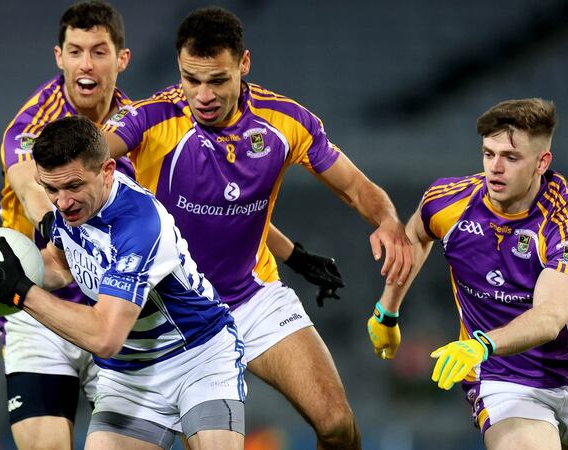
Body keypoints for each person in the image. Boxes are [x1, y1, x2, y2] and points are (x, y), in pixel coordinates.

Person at [101, 7, 413, 448]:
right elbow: (89, 154)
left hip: (252, 298)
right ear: (179, 70)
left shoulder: (285, 121)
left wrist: (388, 222)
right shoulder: (150, 119)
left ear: (243, 65)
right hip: (172, 314)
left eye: (218, 80)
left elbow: (357, 188)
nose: (203, 94)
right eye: (192, 79)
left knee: (338, 426)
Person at [0, 116, 247, 450]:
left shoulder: (140, 224)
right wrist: (13, 273)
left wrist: (21, 292)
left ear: (106, 171)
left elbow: (105, 336)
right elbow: (62, 265)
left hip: (197, 357)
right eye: (51, 189)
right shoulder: (72, 209)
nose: (62, 202)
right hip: (128, 374)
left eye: (73, 186)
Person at [366, 98, 568, 450]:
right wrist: (387, 310)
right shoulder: (450, 200)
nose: (494, 168)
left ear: (542, 162)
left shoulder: (566, 223)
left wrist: (482, 344)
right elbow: (416, 236)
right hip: (503, 378)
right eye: (488, 154)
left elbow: (548, 319)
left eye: (511, 158)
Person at [0, 2, 134, 448]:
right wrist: (56, 221)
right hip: (39, 306)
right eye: (75, 52)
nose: (86, 64)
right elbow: (27, 184)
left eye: (98, 51)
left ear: (121, 59)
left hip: (111, 307)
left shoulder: (139, 124)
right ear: (59, 57)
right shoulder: (31, 125)